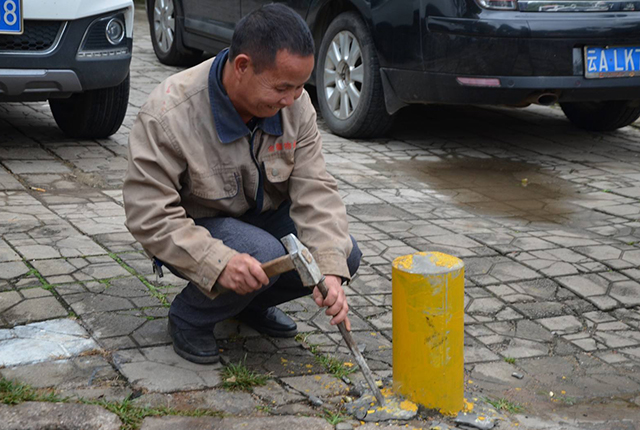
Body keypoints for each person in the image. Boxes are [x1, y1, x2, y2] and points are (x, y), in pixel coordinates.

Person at [123, 4, 361, 364]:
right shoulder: (169, 113)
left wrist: (328, 267)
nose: (291, 99)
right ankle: (190, 317)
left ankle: (246, 305)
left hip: (259, 220)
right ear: (242, 67)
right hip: (195, 231)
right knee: (260, 252)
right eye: (282, 87)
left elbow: (316, 190)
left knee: (344, 253)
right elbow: (149, 215)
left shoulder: (296, 104)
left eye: (299, 87)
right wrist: (217, 261)